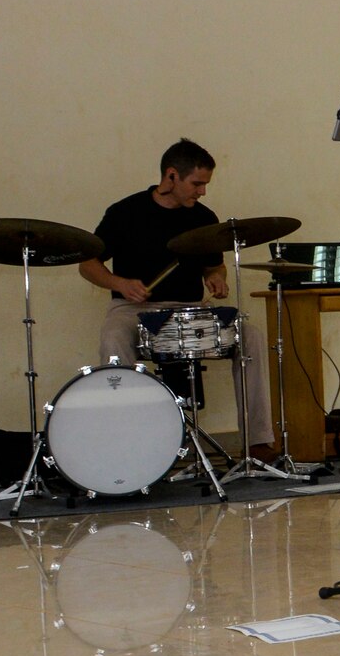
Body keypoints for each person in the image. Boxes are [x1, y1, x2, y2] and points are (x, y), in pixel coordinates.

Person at [80, 138, 275, 460]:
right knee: (113, 337)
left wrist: (216, 279)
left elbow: (216, 266)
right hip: (134, 308)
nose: (202, 192)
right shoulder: (125, 212)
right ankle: (127, 443)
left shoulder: (203, 217)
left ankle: (258, 441)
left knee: (250, 336)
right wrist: (119, 283)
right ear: (171, 176)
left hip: (190, 308)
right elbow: (87, 264)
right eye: (197, 183)